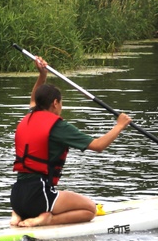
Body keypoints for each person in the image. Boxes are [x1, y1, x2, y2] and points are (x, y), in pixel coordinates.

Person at [10, 56, 131, 228]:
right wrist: (119, 126)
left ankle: (18, 215)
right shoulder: (58, 128)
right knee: (90, 209)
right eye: (61, 103)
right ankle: (48, 219)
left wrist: (42, 75)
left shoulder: (28, 117)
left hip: (17, 196)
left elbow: (33, 100)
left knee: (42, 199)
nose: (61, 107)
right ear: (55, 103)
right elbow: (98, 146)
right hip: (39, 195)